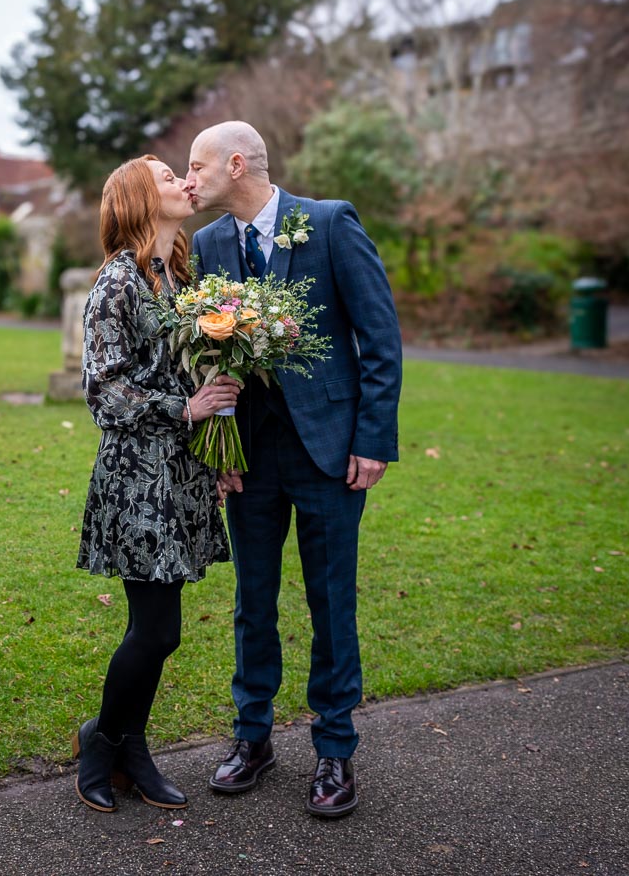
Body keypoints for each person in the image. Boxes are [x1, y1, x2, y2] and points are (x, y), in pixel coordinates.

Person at [184, 121, 402, 819]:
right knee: (253, 599)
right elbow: (209, 360)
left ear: (237, 164)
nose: (190, 179)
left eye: (198, 165)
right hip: (251, 459)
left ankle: (335, 749)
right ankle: (253, 738)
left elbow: (380, 338)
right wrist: (221, 452)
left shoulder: (330, 225)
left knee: (331, 603)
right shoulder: (210, 244)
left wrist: (372, 440)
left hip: (331, 452)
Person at [73, 154, 242, 813]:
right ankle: (104, 739)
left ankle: (128, 750)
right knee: (158, 630)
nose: (183, 184)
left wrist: (218, 443)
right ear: (142, 200)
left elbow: (195, 374)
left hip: (182, 474)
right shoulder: (116, 283)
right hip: (137, 481)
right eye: (169, 178)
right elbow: (102, 393)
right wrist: (184, 411)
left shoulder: (176, 276)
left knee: (162, 628)